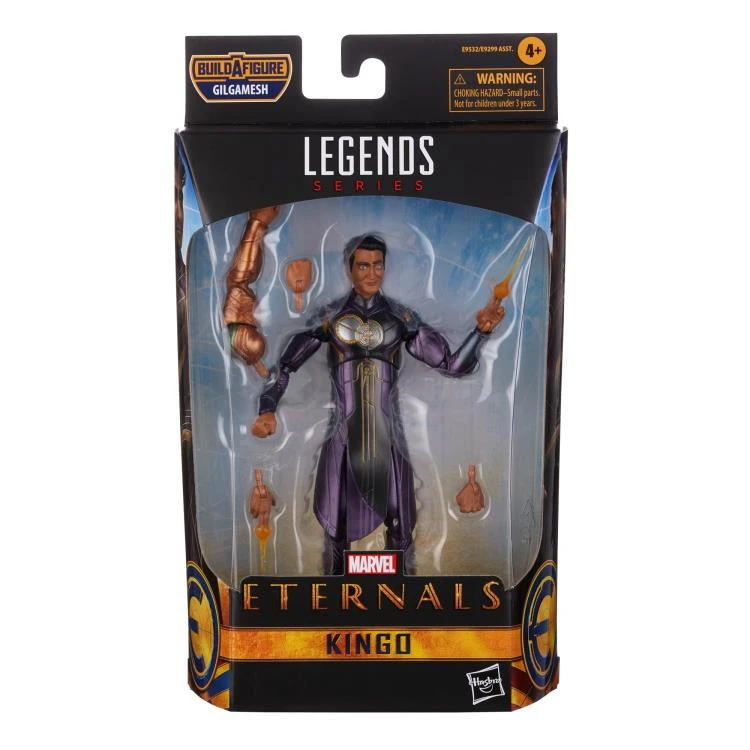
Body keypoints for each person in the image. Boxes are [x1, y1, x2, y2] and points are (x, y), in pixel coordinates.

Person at [251, 234, 505, 574]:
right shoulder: (330, 317)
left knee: (401, 526)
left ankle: (404, 593)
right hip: (343, 437)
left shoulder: (401, 318)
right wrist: (267, 407)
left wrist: (481, 332)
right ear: (350, 269)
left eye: (378, 265)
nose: (372, 274)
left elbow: (452, 364)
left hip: (389, 438)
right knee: (336, 529)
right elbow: (285, 365)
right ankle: (334, 594)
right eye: (363, 266)